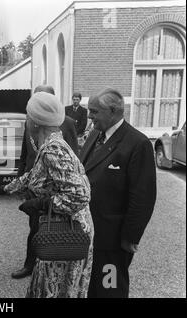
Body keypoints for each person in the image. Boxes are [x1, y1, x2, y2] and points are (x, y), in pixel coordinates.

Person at [0, 92, 94, 297]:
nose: (26, 120)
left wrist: (42, 203)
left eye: (28, 116)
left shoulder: (52, 149)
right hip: (63, 229)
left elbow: (80, 195)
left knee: (54, 290)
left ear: (35, 123)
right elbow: (33, 176)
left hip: (67, 232)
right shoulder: (51, 144)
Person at [79, 88, 156, 298]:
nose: (89, 116)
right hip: (87, 233)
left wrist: (130, 237)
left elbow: (143, 197)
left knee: (109, 288)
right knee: (90, 287)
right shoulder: (95, 134)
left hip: (112, 240)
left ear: (113, 111)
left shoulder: (137, 144)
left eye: (94, 111)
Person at [12, 85, 78, 279]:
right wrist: (19, 178)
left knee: (54, 228)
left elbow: (73, 157)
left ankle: (53, 263)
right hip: (33, 184)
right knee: (35, 227)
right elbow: (25, 152)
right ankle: (30, 265)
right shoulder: (29, 121)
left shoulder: (67, 123)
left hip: (54, 190)